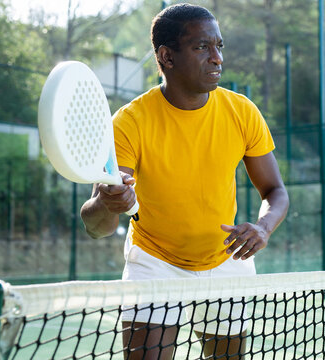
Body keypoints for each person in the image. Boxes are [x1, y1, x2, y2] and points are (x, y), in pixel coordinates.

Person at [80, 3, 289, 359]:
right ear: (167, 56)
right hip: (154, 263)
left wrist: (264, 227)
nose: (217, 58)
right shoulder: (128, 123)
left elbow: (275, 191)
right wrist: (108, 203)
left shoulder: (242, 112)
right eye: (201, 47)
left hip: (228, 260)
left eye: (219, 46)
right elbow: (97, 225)